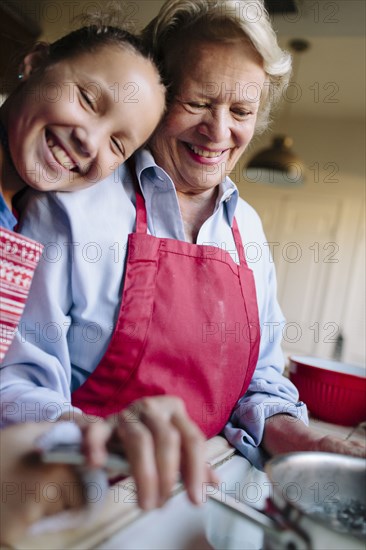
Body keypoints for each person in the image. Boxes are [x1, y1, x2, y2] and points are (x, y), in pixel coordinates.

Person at [1, 0, 365, 516]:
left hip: (209, 492)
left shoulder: (248, 231)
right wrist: (92, 434)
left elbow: (261, 376)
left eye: (240, 112)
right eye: (198, 103)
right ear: (157, 96)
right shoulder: (71, 204)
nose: (218, 132)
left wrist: (305, 441)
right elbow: (14, 383)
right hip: (82, 496)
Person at [0, 20, 166, 360]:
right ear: (33, 65)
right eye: (88, 100)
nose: (90, 142)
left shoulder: (21, 219)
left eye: (117, 145)